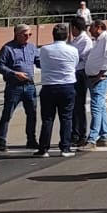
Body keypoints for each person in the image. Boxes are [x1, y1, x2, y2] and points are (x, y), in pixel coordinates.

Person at [35, 23, 80, 158]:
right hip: (67, 85)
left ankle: (43, 149)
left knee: (47, 119)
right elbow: (75, 64)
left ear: (53, 35)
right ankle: (65, 148)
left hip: (49, 86)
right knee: (66, 118)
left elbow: (41, 64)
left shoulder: (44, 49)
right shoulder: (73, 50)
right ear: (66, 36)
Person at [0, 25, 39, 153]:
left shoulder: (31, 48)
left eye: (30, 35)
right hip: (14, 86)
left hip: (29, 85)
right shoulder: (8, 48)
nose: (28, 37)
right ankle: (2, 141)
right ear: (17, 34)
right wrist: (14, 73)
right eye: (25, 35)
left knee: (32, 114)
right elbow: (0, 66)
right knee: (7, 114)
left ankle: (31, 139)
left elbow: (39, 61)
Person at [82, 19, 107, 148]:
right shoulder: (98, 41)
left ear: (98, 27)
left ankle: (92, 138)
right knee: (101, 107)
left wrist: (100, 74)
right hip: (94, 77)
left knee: (96, 107)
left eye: (91, 27)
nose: (89, 30)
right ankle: (104, 136)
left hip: (101, 78)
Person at [69, 19, 93, 148]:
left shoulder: (85, 41)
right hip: (74, 73)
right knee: (73, 106)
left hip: (80, 73)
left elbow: (81, 57)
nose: (71, 31)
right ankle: (75, 133)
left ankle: (81, 134)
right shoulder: (75, 40)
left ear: (75, 28)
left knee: (79, 105)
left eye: (72, 28)